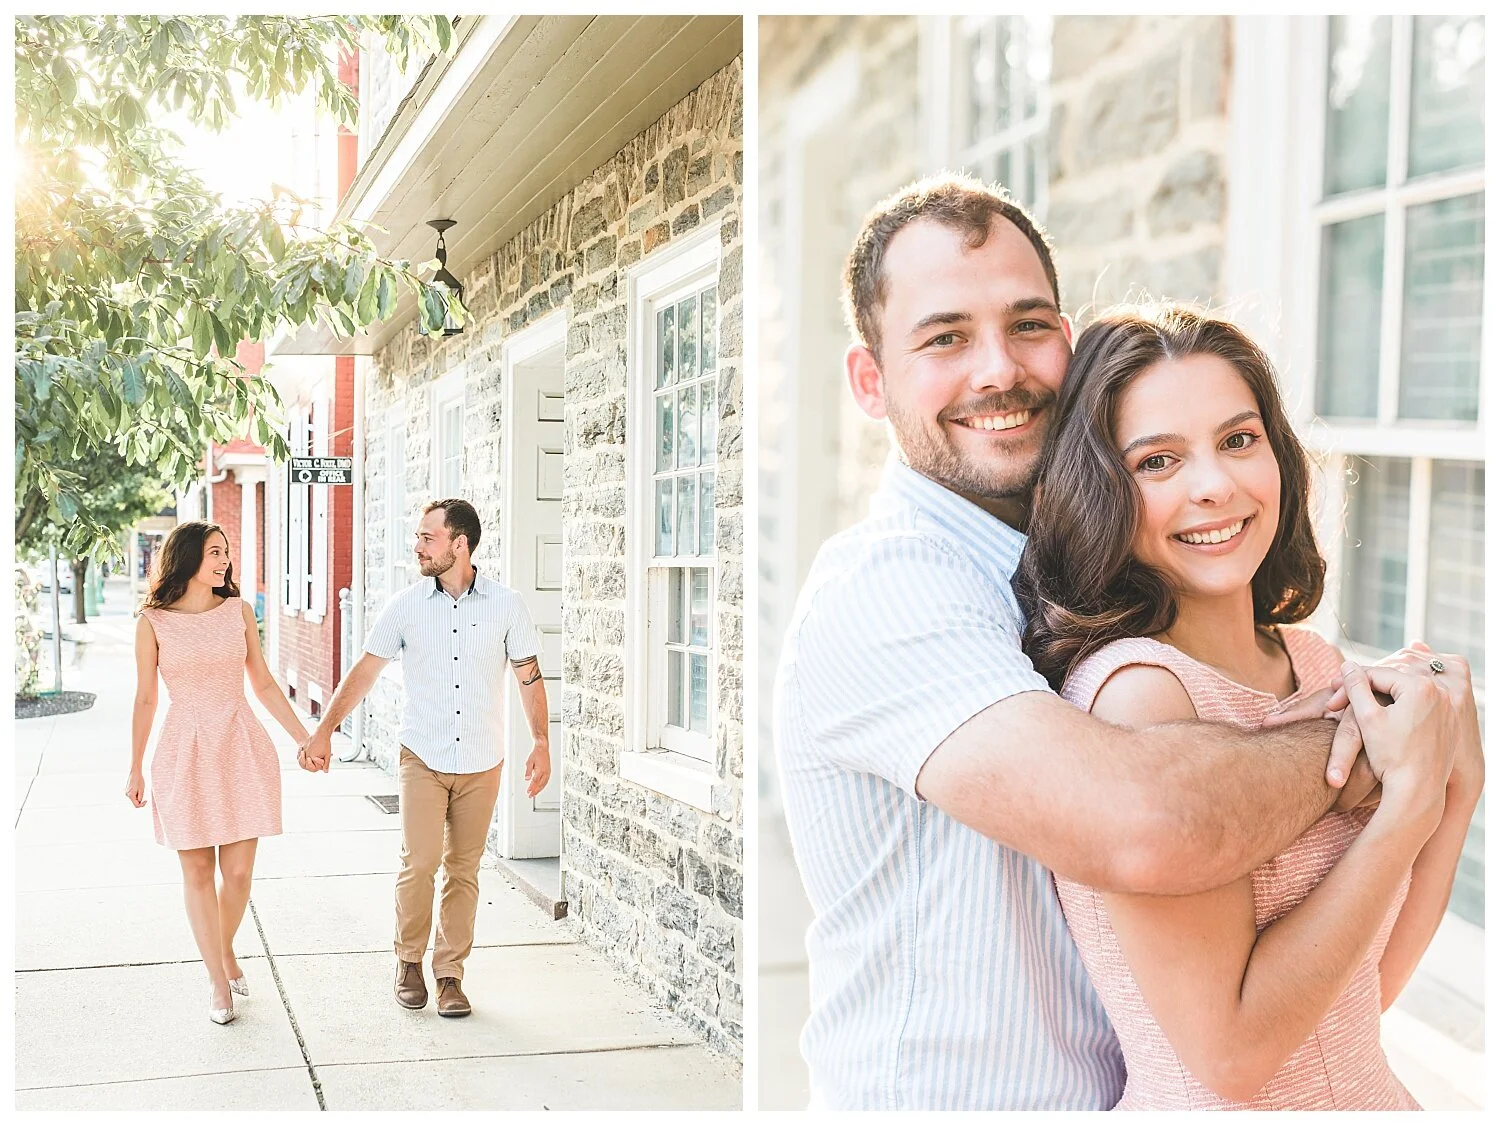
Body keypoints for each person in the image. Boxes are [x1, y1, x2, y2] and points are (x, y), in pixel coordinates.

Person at [771, 175, 1464, 1110]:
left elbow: (1337, 1004)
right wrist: (1381, 749)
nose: (997, 371)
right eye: (944, 338)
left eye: (1028, 324)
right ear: (870, 380)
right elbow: (1151, 828)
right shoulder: (889, 590)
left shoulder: (1079, 589)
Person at [1013, 305, 1483, 1109]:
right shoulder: (1140, 697)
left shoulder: (1311, 662)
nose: (1215, 486)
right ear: (1100, 492)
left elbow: (1357, 998)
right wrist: (1408, 805)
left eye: (1239, 440)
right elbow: (1230, 1056)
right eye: (1158, 462)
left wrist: (1456, 785)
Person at [299, 498, 551, 1018]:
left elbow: (529, 675)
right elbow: (364, 672)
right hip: (423, 756)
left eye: (427, 538)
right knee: (420, 864)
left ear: (460, 544)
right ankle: (409, 961)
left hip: (483, 760)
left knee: (464, 870)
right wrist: (324, 730)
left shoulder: (507, 605)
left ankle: (451, 975)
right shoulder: (406, 605)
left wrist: (541, 743)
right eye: (418, 536)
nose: (417, 546)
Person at [129, 520, 309, 1025]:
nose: (224, 560)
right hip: (182, 752)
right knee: (198, 872)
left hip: (241, 745)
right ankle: (217, 977)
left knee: (238, 873)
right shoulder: (152, 623)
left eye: (226, 552)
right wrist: (135, 768)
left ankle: (223, 950)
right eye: (214, 552)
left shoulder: (239, 613)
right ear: (187, 557)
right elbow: (145, 699)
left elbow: (266, 684)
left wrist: (304, 738)